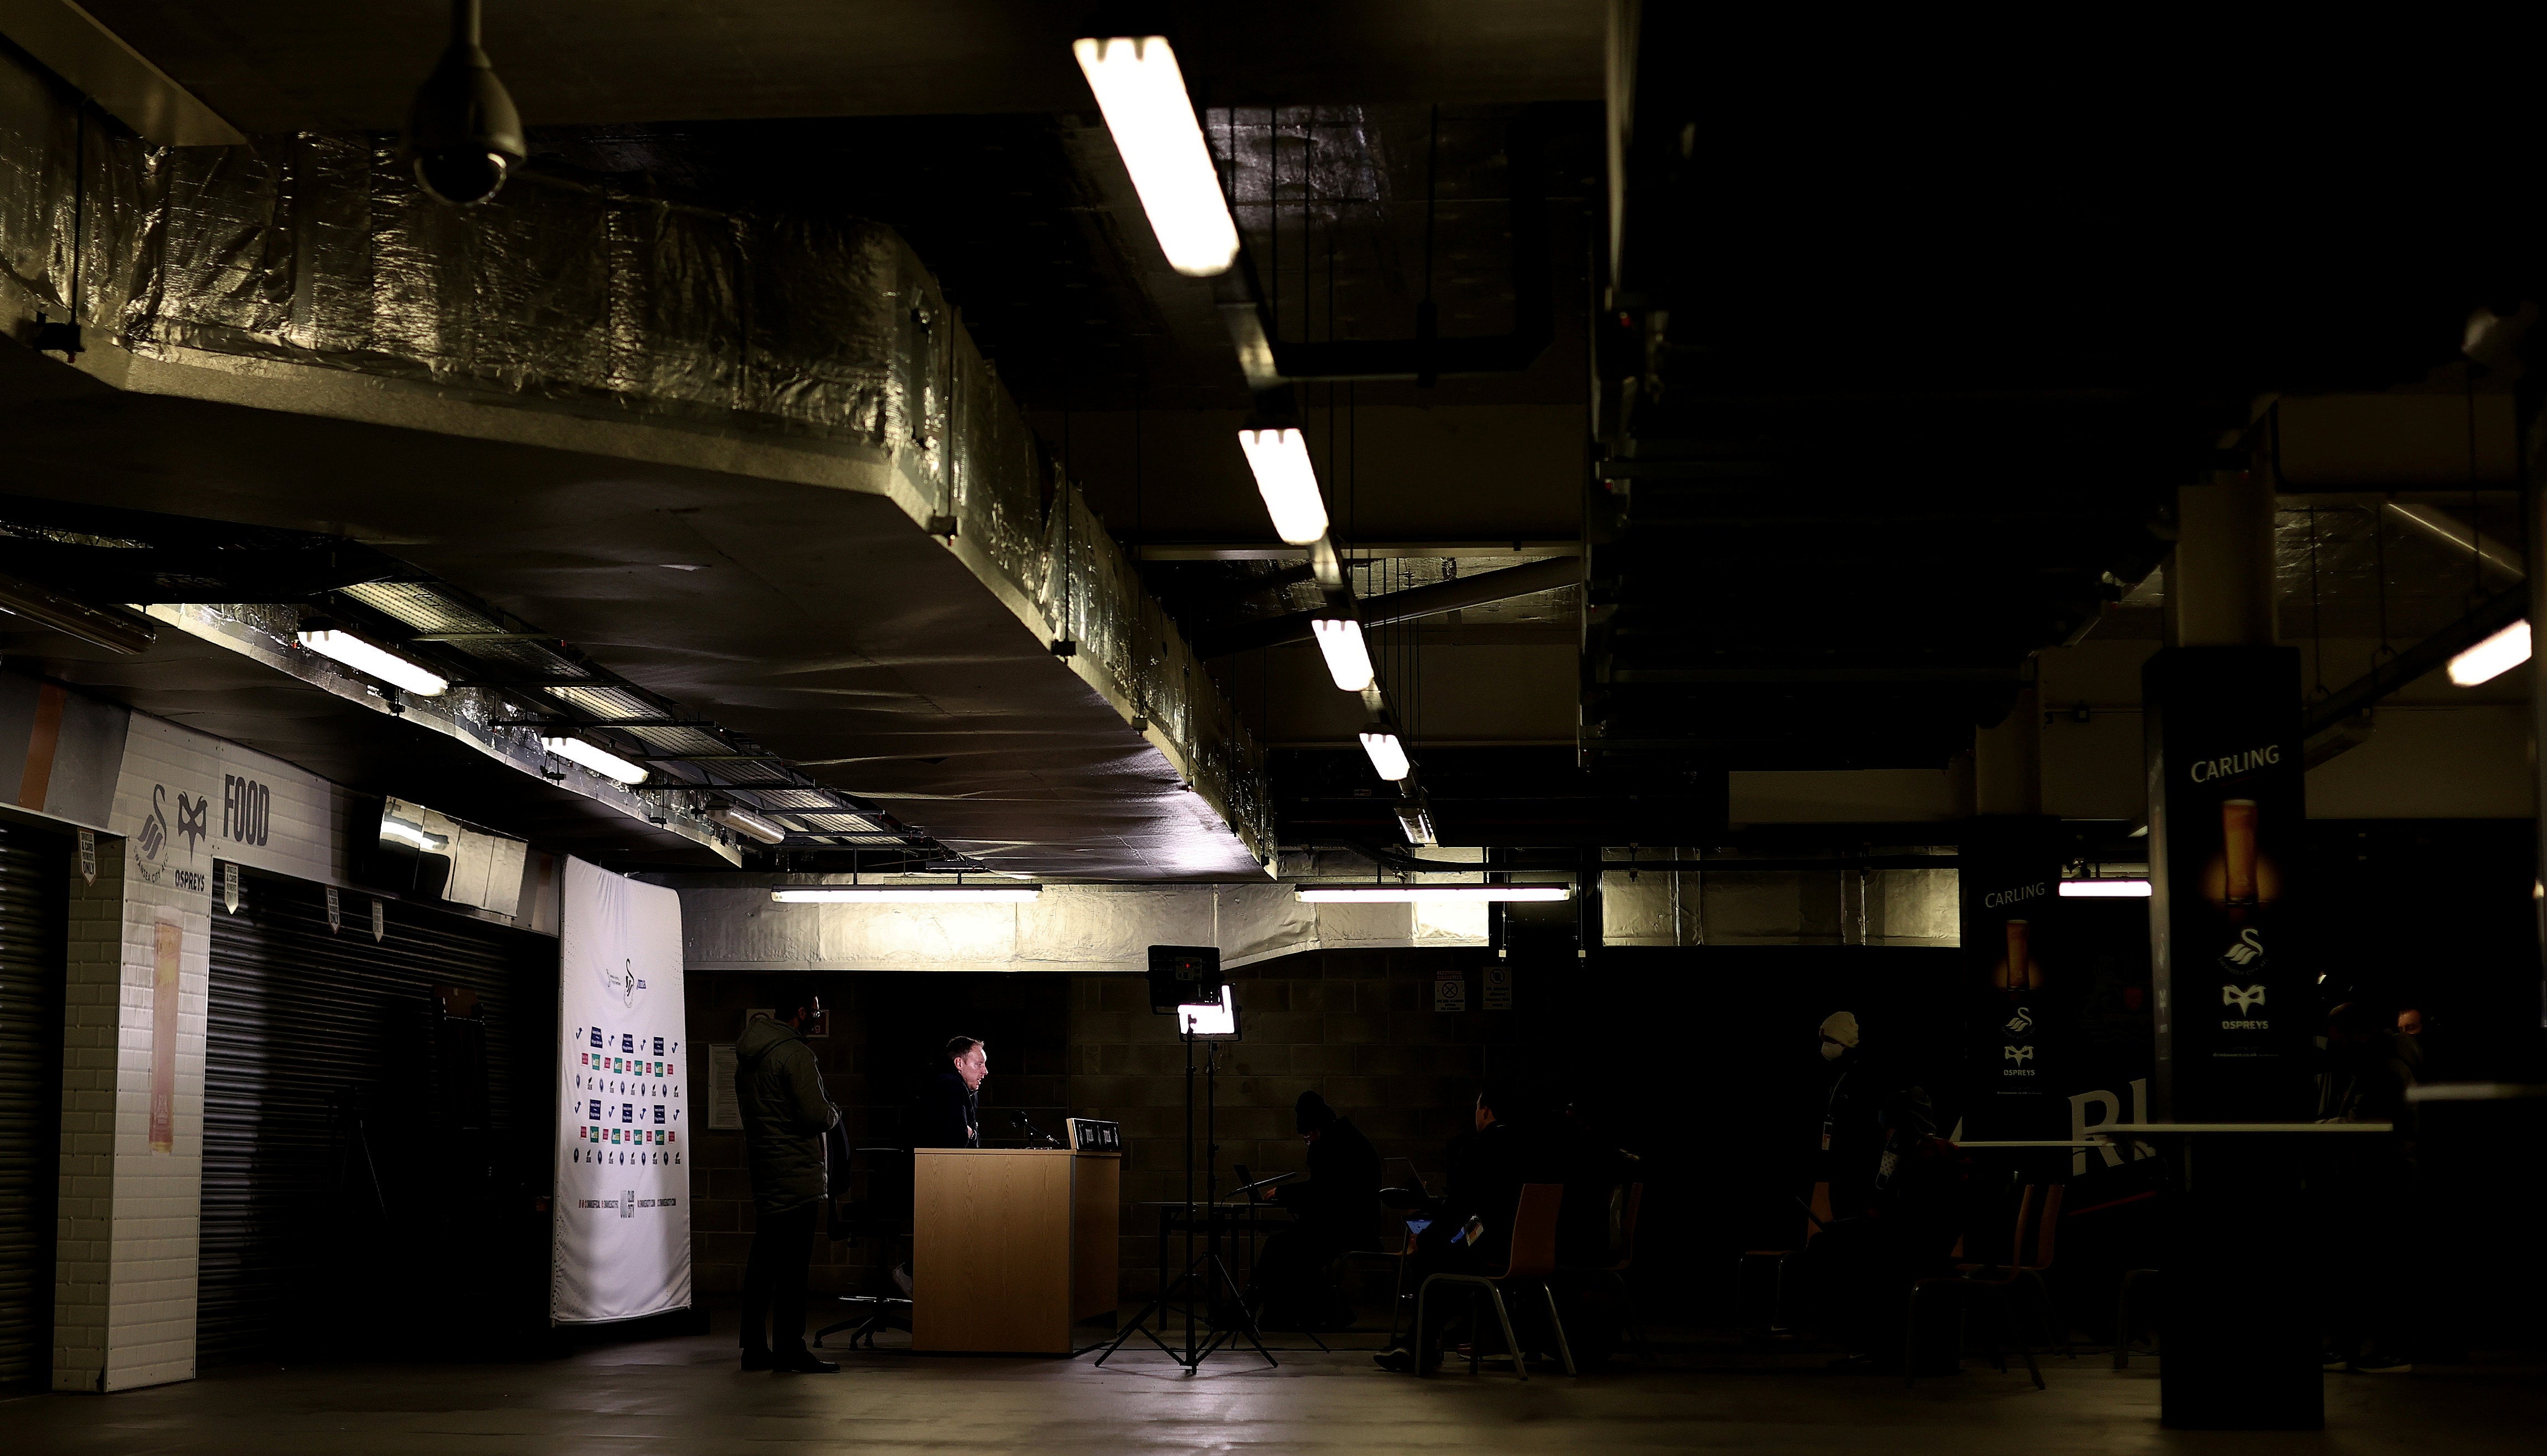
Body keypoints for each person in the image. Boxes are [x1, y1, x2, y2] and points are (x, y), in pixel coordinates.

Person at [1797, 1009, 1966, 1373]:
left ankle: (1878, 1349)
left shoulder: (1931, 1157)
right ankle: (1865, 1343)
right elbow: (1890, 1200)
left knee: (1847, 1253)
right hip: (1902, 1234)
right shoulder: (1900, 1150)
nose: (1884, 1127)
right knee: (1832, 1246)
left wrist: (1874, 1218)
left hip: (1919, 1244)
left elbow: (1920, 1216)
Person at [1373, 1079, 1536, 1372]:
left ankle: (1420, 1349)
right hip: (1534, 1251)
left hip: (1495, 1252)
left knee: (1432, 1260)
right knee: (1452, 1255)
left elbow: (1459, 1209)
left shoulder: (1482, 1147)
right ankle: (1422, 1342)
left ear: (1486, 1111)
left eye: (1477, 1107)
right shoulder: (1534, 1147)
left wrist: (1425, 1240)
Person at [735, 986, 843, 1373]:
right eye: (814, 1011)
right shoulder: (795, 1054)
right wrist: (834, 1112)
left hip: (765, 1172)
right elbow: (816, 1115)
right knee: (794, 1270)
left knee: (762, 1266)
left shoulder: (750, 1055)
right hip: (796, 1176)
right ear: (800, 1012)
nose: (818, 1017)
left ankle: (753, 1348)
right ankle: (790, 1349)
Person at [2317, 1001, 2420, 1374]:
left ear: (2358, 1033)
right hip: (2384, 1175)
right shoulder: (2387, 1060)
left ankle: (2390, 1349)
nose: (2336, 1047)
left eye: (2340, 1038)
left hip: (2386, 1177)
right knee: (2372, 1265)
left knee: (2380, 1266)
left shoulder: (2384, 1067)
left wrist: (2328, 1127)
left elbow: (2376, 1122)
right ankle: (2368, 1346)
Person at [1250, 1091, 1383, 1329]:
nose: (1308, 1141)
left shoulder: (1333, 1146)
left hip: (1347, 1228)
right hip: (1355, 1224)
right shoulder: (1347, 1139)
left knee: (1280, 1247)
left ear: (1316, 1129)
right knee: (1293, 1251)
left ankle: (1261, 1311)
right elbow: (1329, 1191)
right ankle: (1294, 1313)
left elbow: (1323, 1190)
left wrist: (1283, 1192)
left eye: (1308, 1136)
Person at [915, 1035, 988, 1148]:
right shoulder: (951, 1085)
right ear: (959, 1063)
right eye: (979, 1064)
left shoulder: (968, 1091)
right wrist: (969, 1133)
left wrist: (971, 1134)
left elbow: (974, 1141)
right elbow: (959, 1139)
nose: (985, 1071)